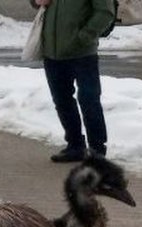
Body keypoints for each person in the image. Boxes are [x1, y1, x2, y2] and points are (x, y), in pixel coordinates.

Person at [31, 0, 116, 162]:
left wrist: (84, 36)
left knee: (89, 100)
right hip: (52, 52)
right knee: (62, 101)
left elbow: (105, 13)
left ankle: (97, 150)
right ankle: (75, 145)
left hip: (83, 53)